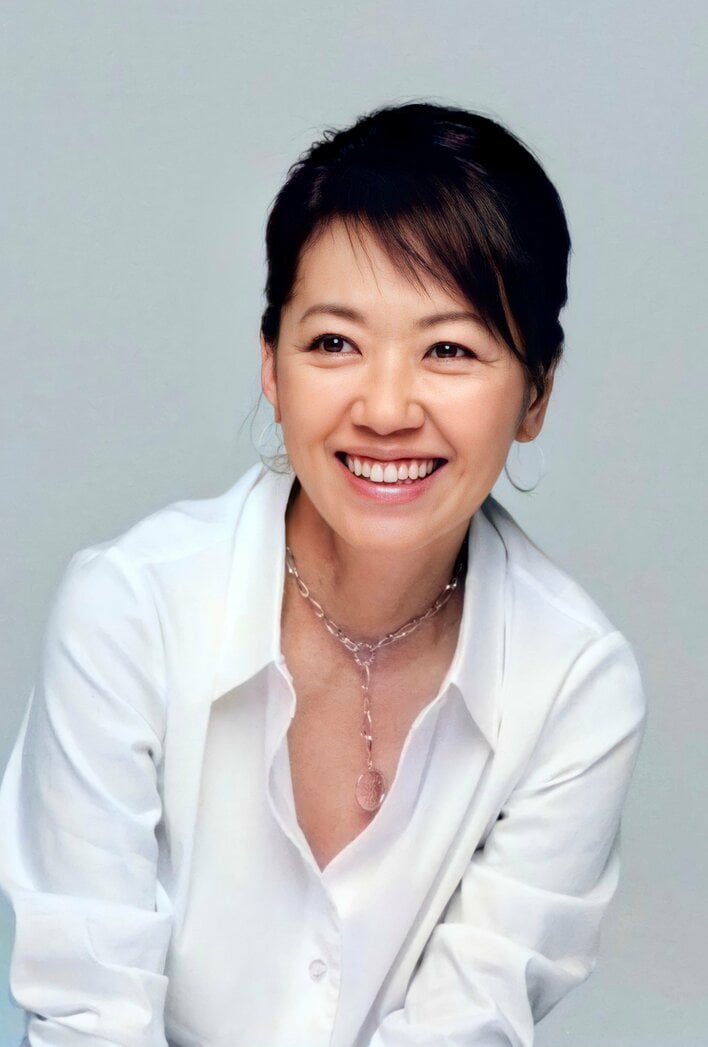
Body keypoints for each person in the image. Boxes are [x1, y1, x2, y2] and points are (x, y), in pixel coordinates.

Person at [0, 101, 647, 1047]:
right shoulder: (129, 613)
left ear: (537, 391)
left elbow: (466, 1027)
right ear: (271, 364)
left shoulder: (576, 684)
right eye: (335, 342)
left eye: (450, 349)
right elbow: (87, 1018)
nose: (385, 408)